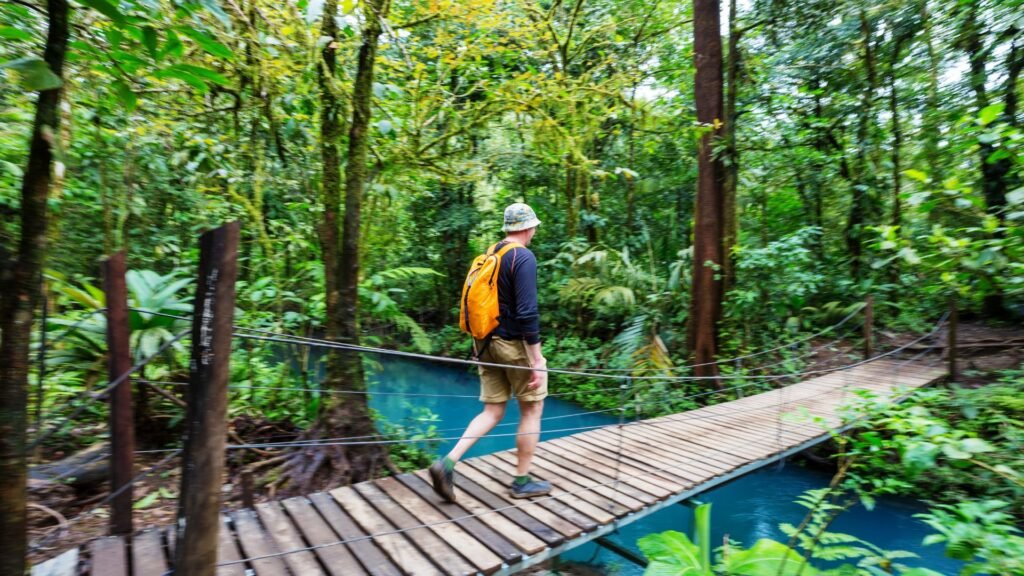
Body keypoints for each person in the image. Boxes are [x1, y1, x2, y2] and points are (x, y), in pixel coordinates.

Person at [429, 202, 552, 501]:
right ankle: (521, 482)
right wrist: (536, 359)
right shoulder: (522, 257)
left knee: (493, 410)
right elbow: (527, 312)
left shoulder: (490, 254)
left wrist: (477, 345)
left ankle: (448, 463)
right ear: (527, 228)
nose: (534, 231)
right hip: (513, 346)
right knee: (532, 408)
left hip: (484, 343)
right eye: (533, 226)